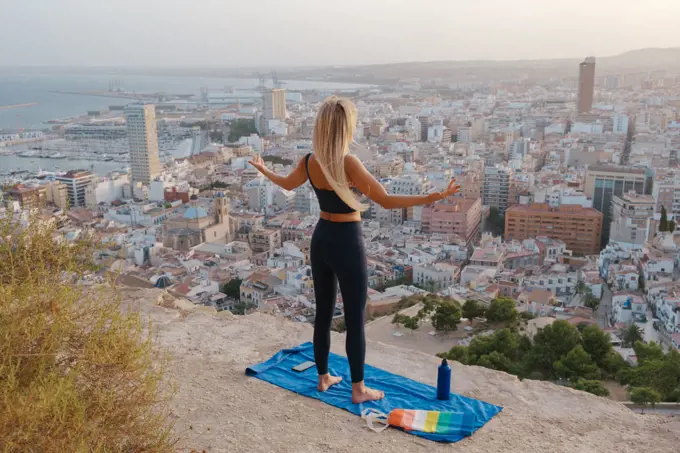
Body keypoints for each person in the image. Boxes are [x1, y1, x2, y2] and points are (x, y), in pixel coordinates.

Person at [249, 96, 460, 403]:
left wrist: (263, 170)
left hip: (321, 237)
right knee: (354, 319)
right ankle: (358, 389)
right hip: (347, 238)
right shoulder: (348, 162)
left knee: (322, 313)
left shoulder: (310, 160)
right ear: (345, 127)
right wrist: (432, 197)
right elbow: (385, 200)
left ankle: (322, 378)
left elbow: (286, 183)